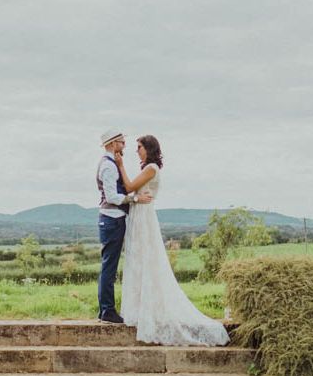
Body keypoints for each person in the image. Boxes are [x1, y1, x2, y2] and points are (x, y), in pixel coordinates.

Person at [116, 135, 230, 346]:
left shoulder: (151, 168)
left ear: (148, 148)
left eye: (139, 147)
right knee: (139, 261)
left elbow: (130, 186)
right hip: (140, 215)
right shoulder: (148, 167)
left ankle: (149, 310)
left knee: (147, 261)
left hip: (144, 217)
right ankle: (140, 308)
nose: (136, 150)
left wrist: (121, 165)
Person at [96, 129, 152, 323]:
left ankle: (105, 309)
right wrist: (135, 198)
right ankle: (107, 311)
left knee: (109, 266)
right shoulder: (109, 167)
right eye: (121, 142)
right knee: (109, 267)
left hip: (113, 219)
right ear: (112, 144)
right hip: (112, 219)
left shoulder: (111, 164)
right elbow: (112, 197)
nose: (124, 145)